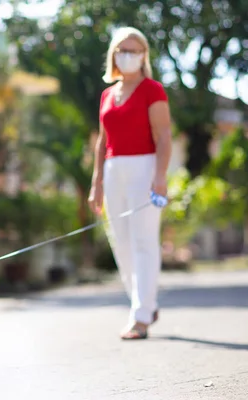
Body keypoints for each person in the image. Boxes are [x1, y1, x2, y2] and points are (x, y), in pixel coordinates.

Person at [88, 26, 172, 340]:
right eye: (123, 50)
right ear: (113, 55)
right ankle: (144, 304)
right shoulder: (107, 94)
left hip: (145, 167)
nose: (128, 55)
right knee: (120, 243)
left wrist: (160, 176)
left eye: (135, 50)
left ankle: (141, 316)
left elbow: (164, 136)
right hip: (113, 170)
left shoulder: (153, 90)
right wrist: (96, 182)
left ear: (144, 55)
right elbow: (102, 140)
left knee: (143, 241)